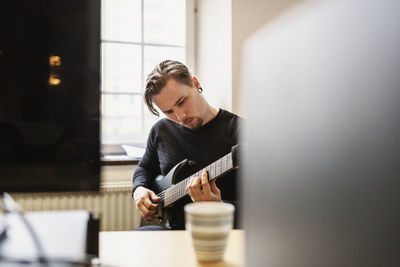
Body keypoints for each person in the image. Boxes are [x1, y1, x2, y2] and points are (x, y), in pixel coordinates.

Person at [132, 60, 241, 230]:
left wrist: (219, 206)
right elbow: (144, 168)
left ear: (195, 83)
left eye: (182, 101)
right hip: (170, 229)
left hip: (220, 231)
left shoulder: (242, 132)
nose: (180, 116)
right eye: (169, 112)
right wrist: (139, 190)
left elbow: (265, 209)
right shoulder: (161, 130)